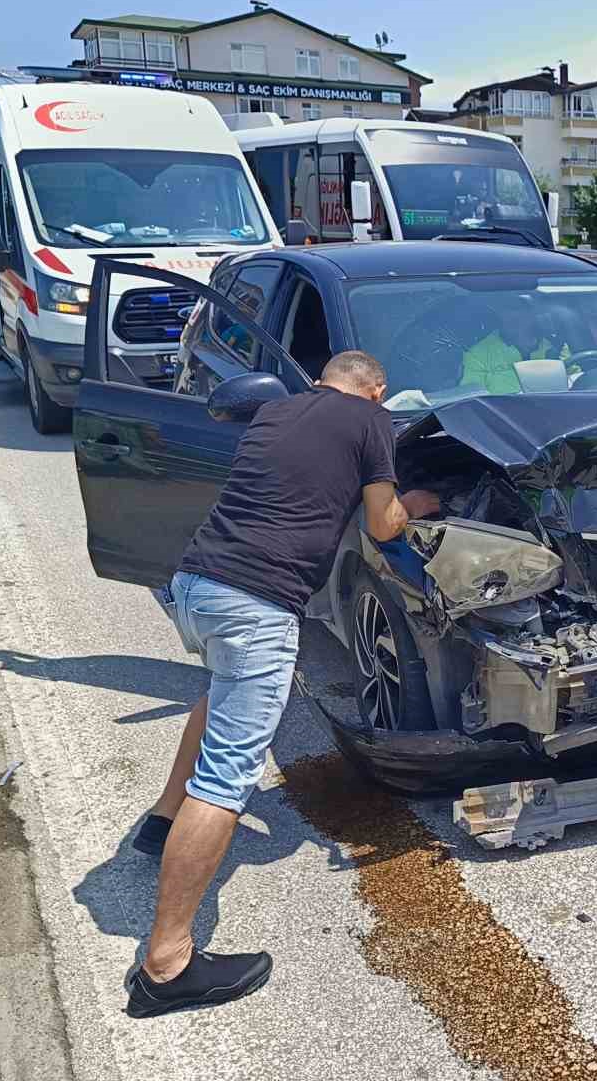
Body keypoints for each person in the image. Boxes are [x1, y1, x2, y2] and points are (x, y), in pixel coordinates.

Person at [123, 350, 440, 1018]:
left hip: (196, 584)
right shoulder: (370, 421)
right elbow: (383, 523)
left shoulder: (275, 411)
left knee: (220, 696)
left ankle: (161, 822)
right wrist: (416, 502)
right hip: (256, 604)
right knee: (229, 777)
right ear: (376, 390)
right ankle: (166, 963)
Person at [458, 297, 569, 395]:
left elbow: (576, 381)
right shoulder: (477, 354)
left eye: (522, 311)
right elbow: (471, 397)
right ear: (499, 315)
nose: (515, 316)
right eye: (509, 310)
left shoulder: (557, 347)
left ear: (533, 315)